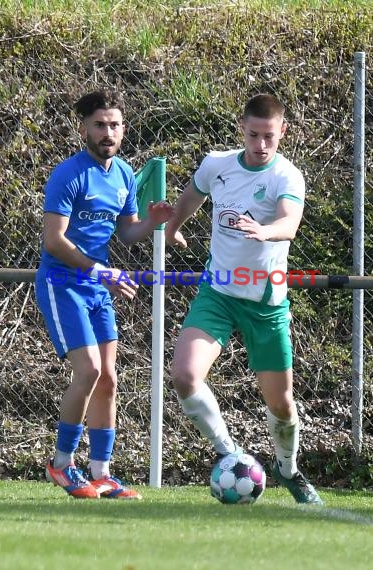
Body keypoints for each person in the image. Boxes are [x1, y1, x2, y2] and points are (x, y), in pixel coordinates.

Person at [165, 93, 323, 505]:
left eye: (268, 136)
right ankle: (231, 454)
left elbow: (289, 222)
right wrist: (174, 225)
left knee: (282, 405)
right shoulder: (217, 164)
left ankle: (288, 470)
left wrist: (264, 231)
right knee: (184, 376)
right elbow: (193, 194)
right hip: (217, 293)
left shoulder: (287, 177)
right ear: (242, 128)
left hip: (266, 301)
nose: (260, 144)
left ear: (282, 132)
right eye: (253, 135)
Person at [35, 89, 173, 499]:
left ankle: (102, 474)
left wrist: (151, 222)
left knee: (109, 378)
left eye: (114, 125)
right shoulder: (69, 174)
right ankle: (61, 465)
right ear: (84, 129)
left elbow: (127, 232)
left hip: (98, 283)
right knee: (90, 371)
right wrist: (101, 271)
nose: (107, 132)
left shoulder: (124, 175)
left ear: (123, 129)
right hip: (63, 284)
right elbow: (54, 241)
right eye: (99, 125)